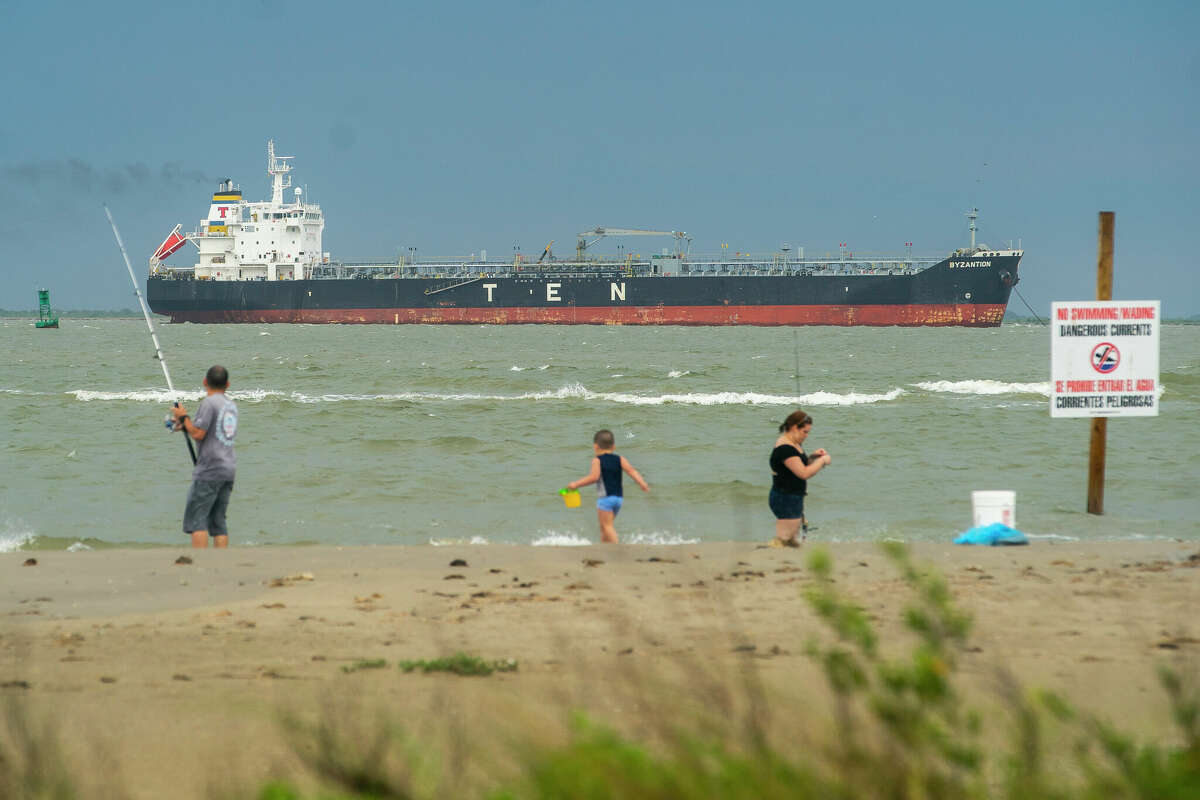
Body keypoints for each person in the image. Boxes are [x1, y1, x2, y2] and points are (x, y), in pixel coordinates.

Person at [172, 365, 238, 548]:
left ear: (205, 382)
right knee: (218, 522)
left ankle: (201, 565)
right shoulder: (231, 405)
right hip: (228, 469)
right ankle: (220, 564)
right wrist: (184, 424)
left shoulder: (209, 403)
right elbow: (211, 432)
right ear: (227, 384)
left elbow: (199, 434)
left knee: (197, 522)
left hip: (210, 470)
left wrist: (183, 416)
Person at [565, 429, 649, 543]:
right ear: (614, 446)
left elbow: (594, 477)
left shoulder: (597, 460)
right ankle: (604, 549)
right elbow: (631, 471)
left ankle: (617, 549)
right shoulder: (620, 459)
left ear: (595, 446)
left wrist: (575, 484)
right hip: (618, 498)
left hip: (605, 499)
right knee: (604, 527)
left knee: (607, 526)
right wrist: (642, 483)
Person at [769, 409, 831, 547]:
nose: (806, 436)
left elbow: (800, 464)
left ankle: (786, 560)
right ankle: (776, 559)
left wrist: (814, 457)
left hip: (793, 496)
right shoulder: (785, 448)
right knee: (784, 539)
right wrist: (822, 462)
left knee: (793, 539)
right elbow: (803, 473)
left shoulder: (794, 444)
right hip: (784, 497)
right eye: (805, 432)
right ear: (794, 427)